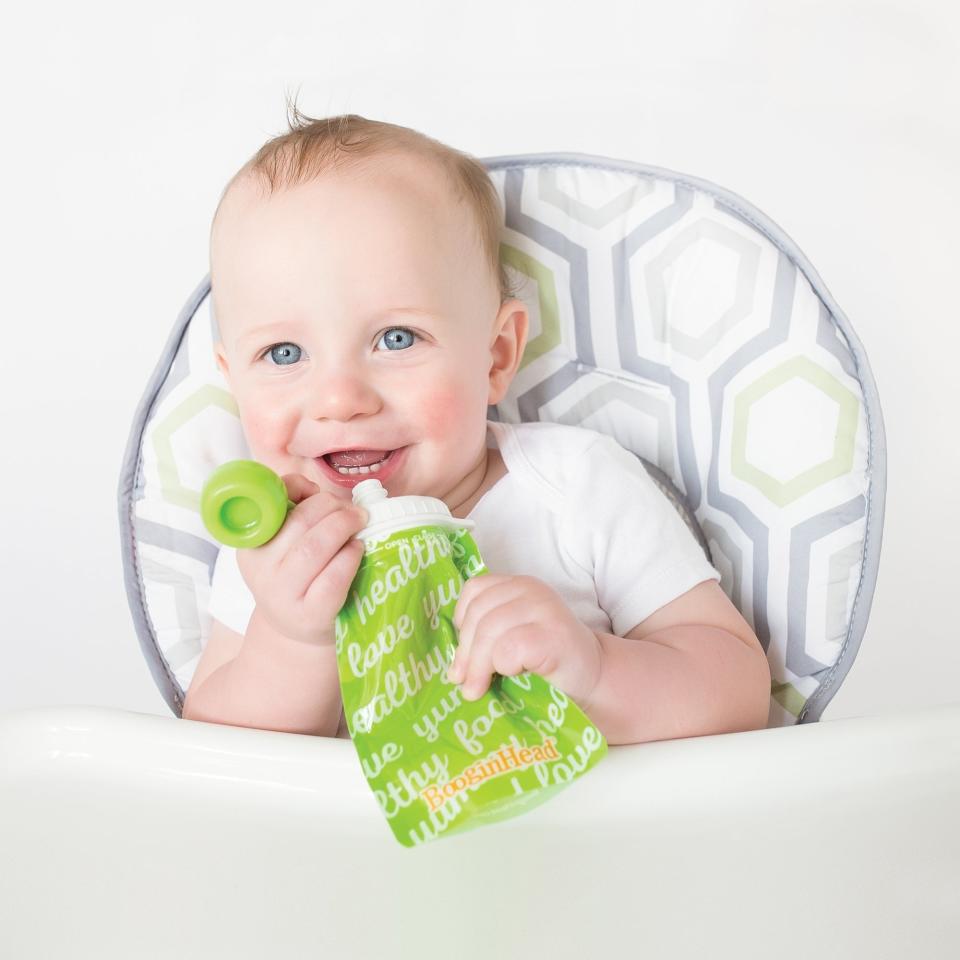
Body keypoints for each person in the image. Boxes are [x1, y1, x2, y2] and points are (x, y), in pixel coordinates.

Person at [182, 106, 771, 744]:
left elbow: (737, 687)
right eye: (284, 354)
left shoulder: (579, 488)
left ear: (495, 357)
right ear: (232, 380)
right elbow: (212, 754)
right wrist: (292, 641)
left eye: (395, 337)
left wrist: (595, 670)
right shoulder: (276, 551)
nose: (340, 399)